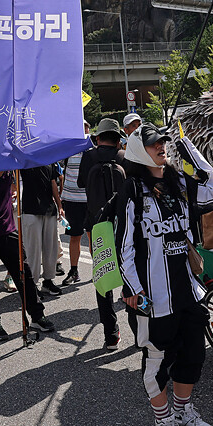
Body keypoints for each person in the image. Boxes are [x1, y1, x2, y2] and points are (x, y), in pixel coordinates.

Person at [118, 123, 213, 426]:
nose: (160, 146)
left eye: (162, 142)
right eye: (153, 144)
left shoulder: (178, 181)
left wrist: (185, 143)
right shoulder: (132, 189)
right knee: (157, 361)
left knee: (193, 355)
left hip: (188, 289)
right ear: (137, 150)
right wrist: (134, 290)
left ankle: (183, 412)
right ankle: (164, 424)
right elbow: (125, 248)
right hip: (153, 297)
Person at [0, 169, 55, 341]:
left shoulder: (9, 167)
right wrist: (9, 160)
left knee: (24, 274)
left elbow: (13, 188)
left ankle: (37, 316)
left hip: (8, 229)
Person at [82, 117, 128, 349]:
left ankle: (111, 334)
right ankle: (140, 330)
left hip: (97, 225)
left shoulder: (89, 157)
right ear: (118, 140)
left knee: (103, 277)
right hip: (123, 224)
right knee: (130, 270)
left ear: (98, 138)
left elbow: (81, 183)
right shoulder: (123, 157)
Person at [20, 162, 64, 296]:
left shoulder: (49, 160)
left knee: (51, 249)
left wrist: (59, 205)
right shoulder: (24, 159)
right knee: (32, 250)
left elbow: (53, 183)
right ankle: (31, 285)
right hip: (29, 209)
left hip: (49, 209)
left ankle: (48, 281)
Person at [59, 120, 92, 287]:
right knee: (74, 237)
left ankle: (99, 270)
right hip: (71, 200)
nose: (82, 131)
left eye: (85, 128)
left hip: (90, 200)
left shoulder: (93, 146)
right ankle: (73, 270)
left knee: (93, 237)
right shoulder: (68, 147)